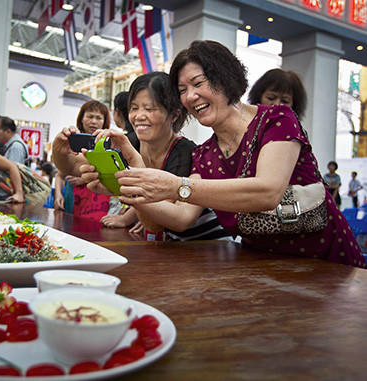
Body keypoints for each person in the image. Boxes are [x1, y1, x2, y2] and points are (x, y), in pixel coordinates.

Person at [81, 40, 365, 269]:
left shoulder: (276, 119)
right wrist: (122, 187)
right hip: (263, 269)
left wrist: (176, 186)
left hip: (327, 266)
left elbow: (268, 191)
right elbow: (180, 218)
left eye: (198, 83)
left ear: (226, 78)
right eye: (182, 90)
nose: (191, 96)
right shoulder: (205, 154)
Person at [96, 72, 232, 241]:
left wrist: (130, 192)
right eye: (134, 108)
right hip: (173, 243)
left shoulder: (188, 154)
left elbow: (161, 217)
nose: (139, 116)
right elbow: (152, 206)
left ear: (174, 114)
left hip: (207, 245)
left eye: (149, 108)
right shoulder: (134, 141)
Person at [52, 100, 111, 220]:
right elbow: (60, 175)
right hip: (72, 198)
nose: (94, 121)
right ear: (82, 119)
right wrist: (58, 194)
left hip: (97, 204)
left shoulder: (110, 144)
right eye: (90, 116)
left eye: (99, 118)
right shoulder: (72, 143)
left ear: (104, 121)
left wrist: (85, 179)